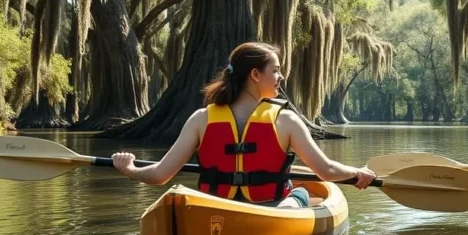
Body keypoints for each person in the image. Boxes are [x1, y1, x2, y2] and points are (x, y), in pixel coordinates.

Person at [111, 42, 377, 208]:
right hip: (270, 208)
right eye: (275, 70)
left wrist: (130, 169)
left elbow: (159, 175)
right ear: (255, 75)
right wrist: (358, 172)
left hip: (216, 208)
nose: (280, 77)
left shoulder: (201, 118)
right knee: (302, 194)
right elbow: (327, 171)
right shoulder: (285, 120)